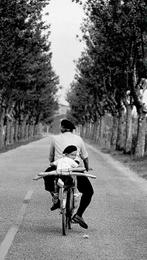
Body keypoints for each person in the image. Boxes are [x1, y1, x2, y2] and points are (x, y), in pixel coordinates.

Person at [43, 119, 94, 229]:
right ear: (71, 129)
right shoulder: (78, 139)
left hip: (58, 169)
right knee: (89, 191)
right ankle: (79, 215)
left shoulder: (55, 138)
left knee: (47, 176)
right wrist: (86, 168)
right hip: (74, 170)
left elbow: (51, 157)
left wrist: (54, 163)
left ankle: (56, 197)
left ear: (62, 128)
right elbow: (85, 157)